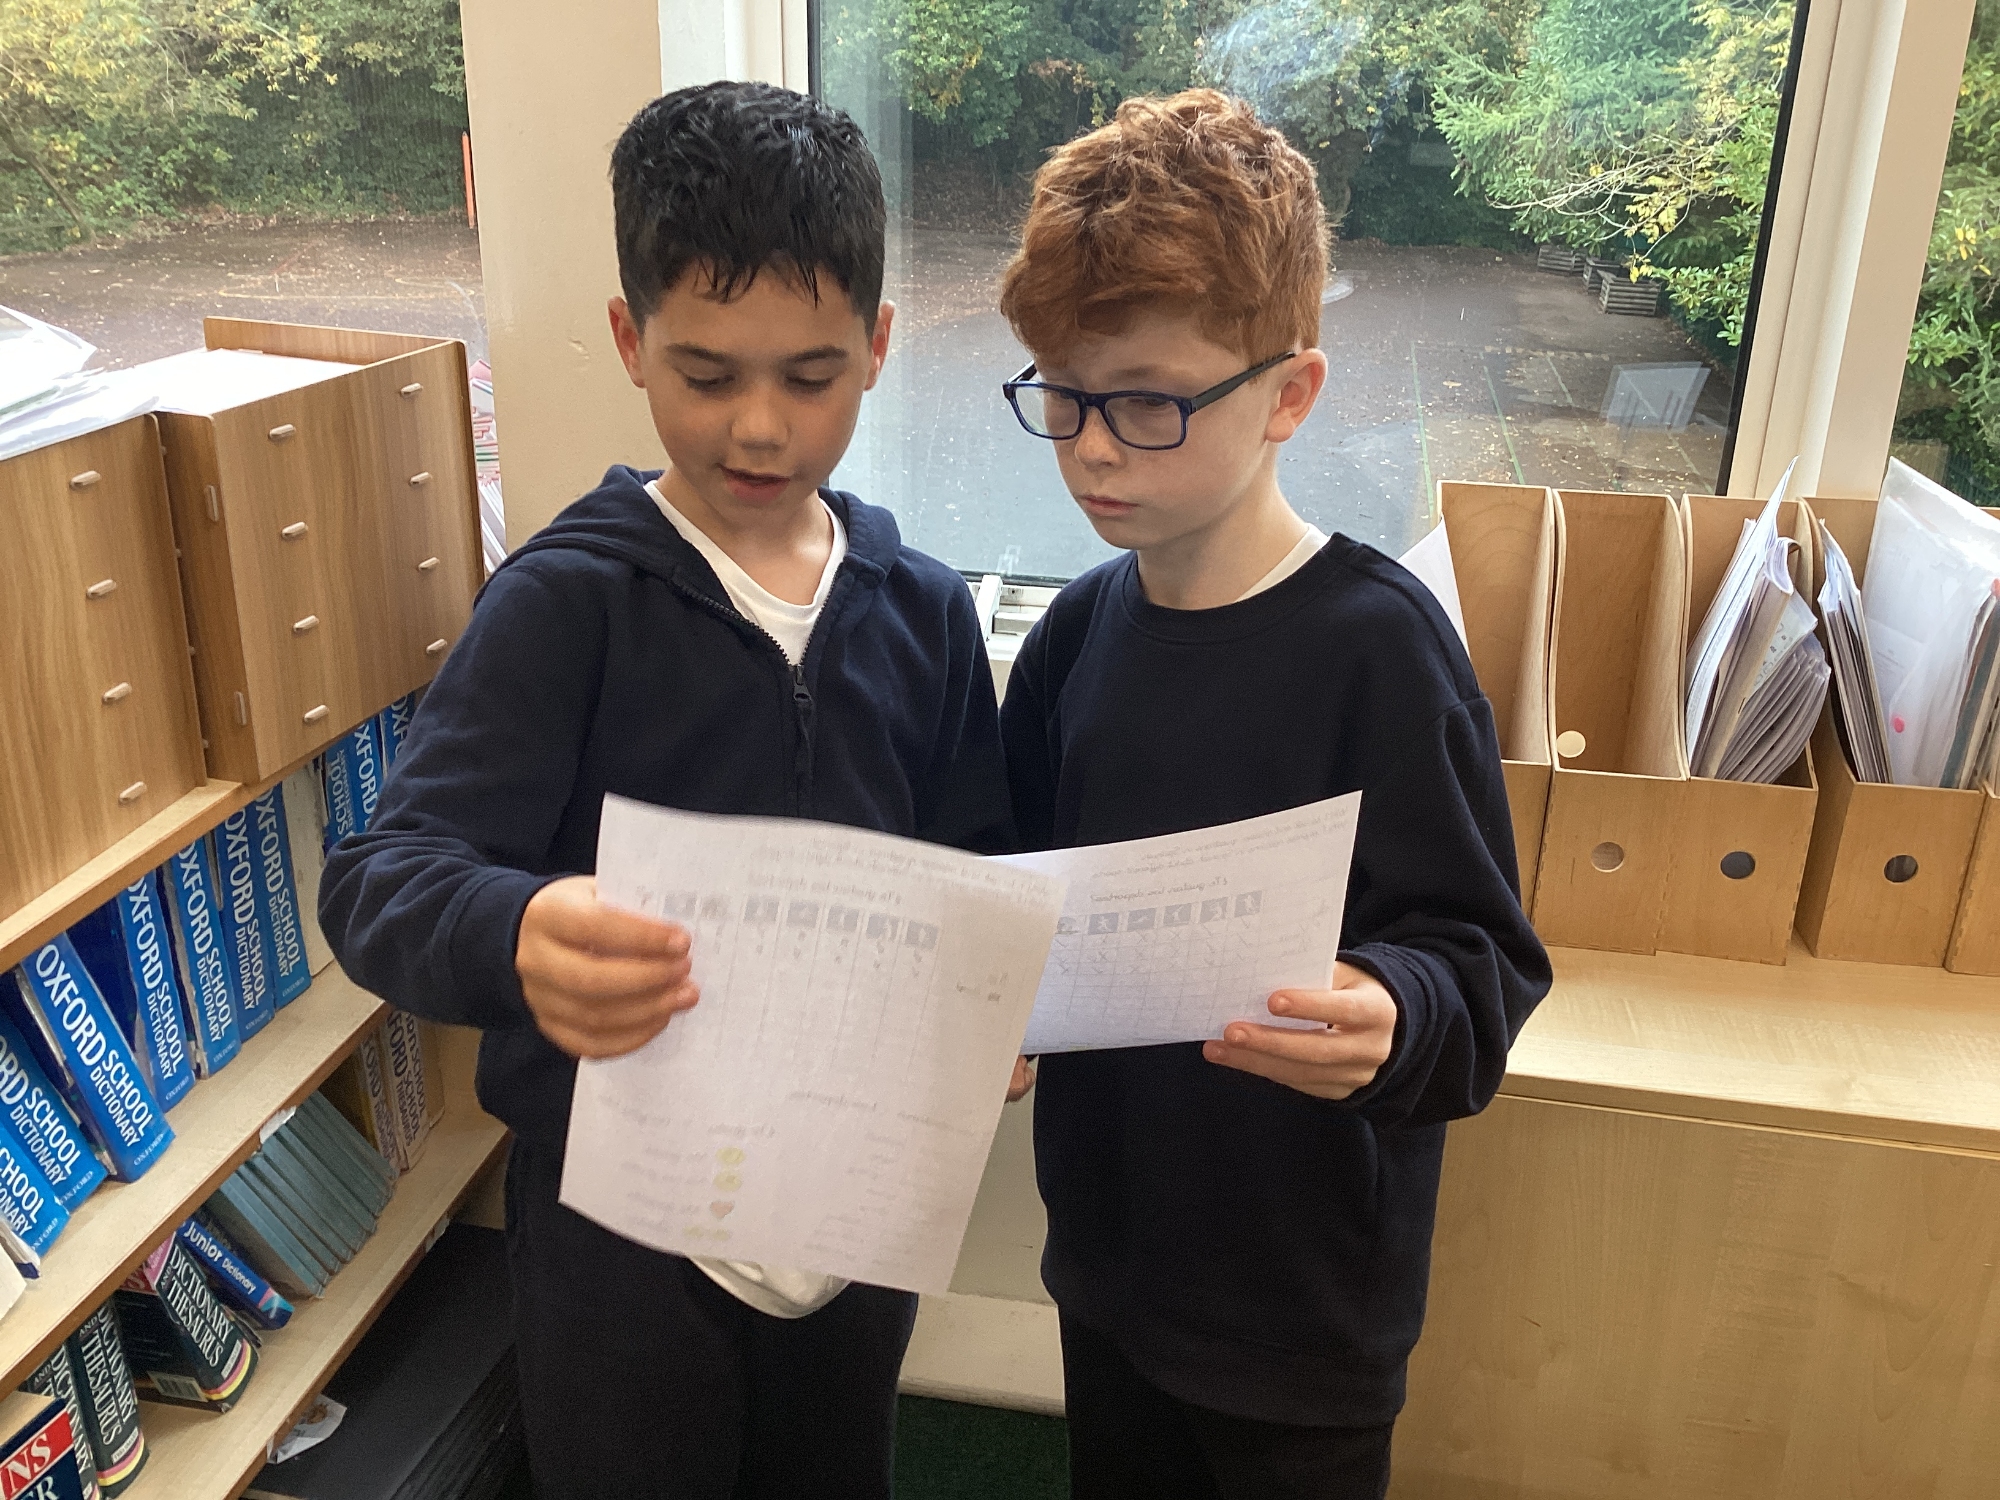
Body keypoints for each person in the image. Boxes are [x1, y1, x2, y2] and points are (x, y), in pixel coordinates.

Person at [319, 81, 1012, 1500]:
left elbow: (977, 864)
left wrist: (996, 1006)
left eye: (810, 378)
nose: (760, 429)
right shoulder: (566, 605)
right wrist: (519, 931)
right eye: (706, 375)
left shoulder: (926, 612)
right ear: (632, 342)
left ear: (879, 347)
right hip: (618, 1235)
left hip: (850, 1207)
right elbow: (383, 879)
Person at [995, 89, 1552, 1500]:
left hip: (1301, 1309)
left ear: (1289, 395)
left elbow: (1483, 963)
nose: (1093, 448)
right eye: (1061, 395)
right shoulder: (1076, 636)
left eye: (1148, 402)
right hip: (1110, 1263)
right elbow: (1012, 885)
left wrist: (1394, 1011)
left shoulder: (1381, 651)